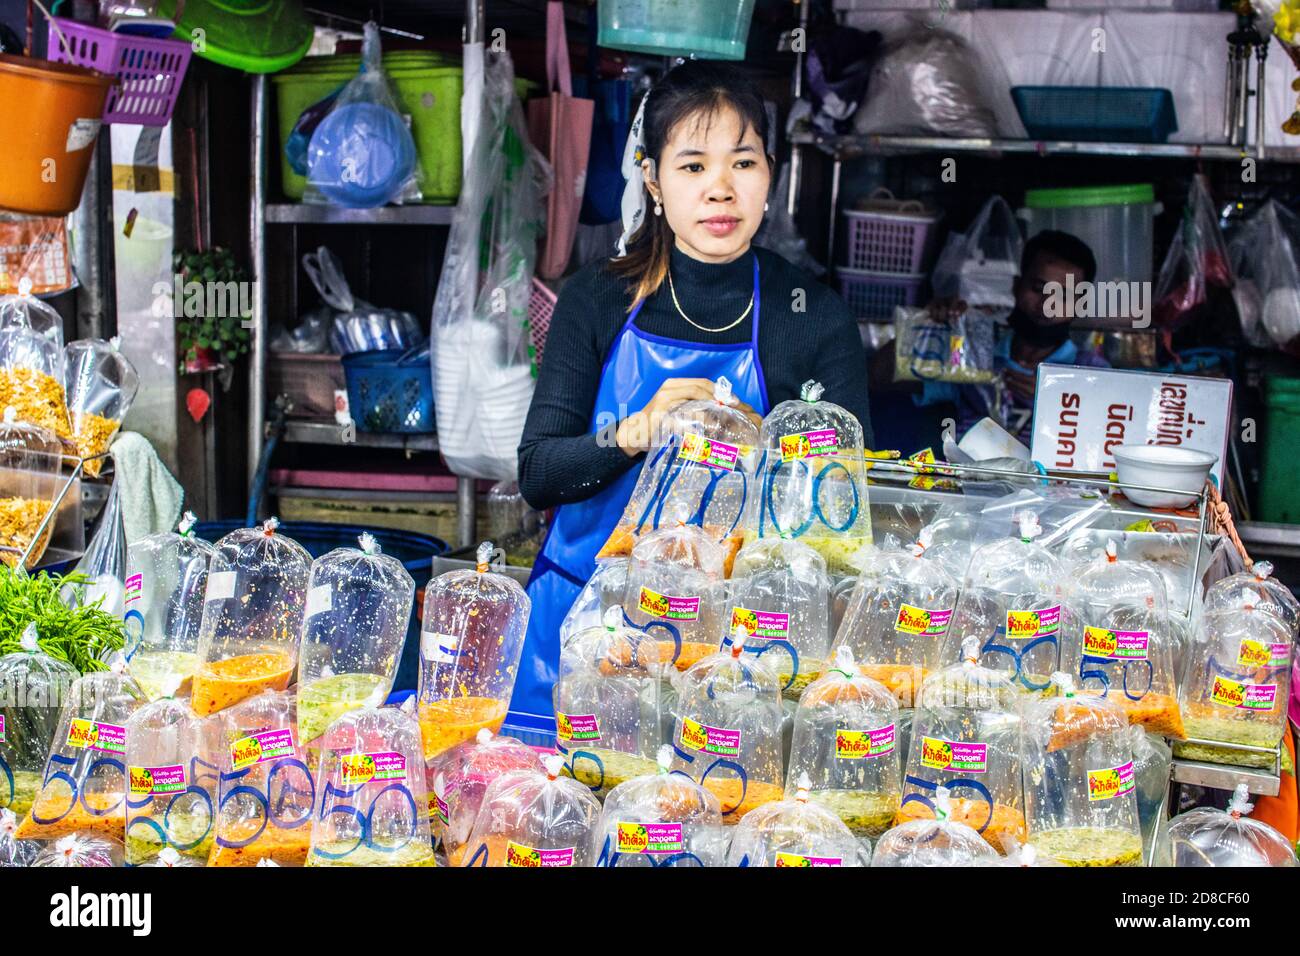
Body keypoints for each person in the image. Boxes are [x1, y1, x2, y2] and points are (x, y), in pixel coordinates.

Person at [509, 60, 873, 737]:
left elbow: (845, 521)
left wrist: (765, 457)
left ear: (772, 172)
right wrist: (636, 432)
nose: (720, 191)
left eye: (743, 163)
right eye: (692, 166)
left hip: (741, 653)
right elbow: (538, 474)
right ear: (652, 178)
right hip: (579, 630)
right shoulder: (598, 299)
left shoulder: (811, 317)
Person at [920, 229, 1109, 445]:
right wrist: (929, 325)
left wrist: (1053, 400)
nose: (1047, 305)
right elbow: (879, 376)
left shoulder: (1093, 373)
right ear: (1017, 286)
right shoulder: (973, 354)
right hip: (968, 476)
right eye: (1038, 288)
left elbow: (1103, 445)